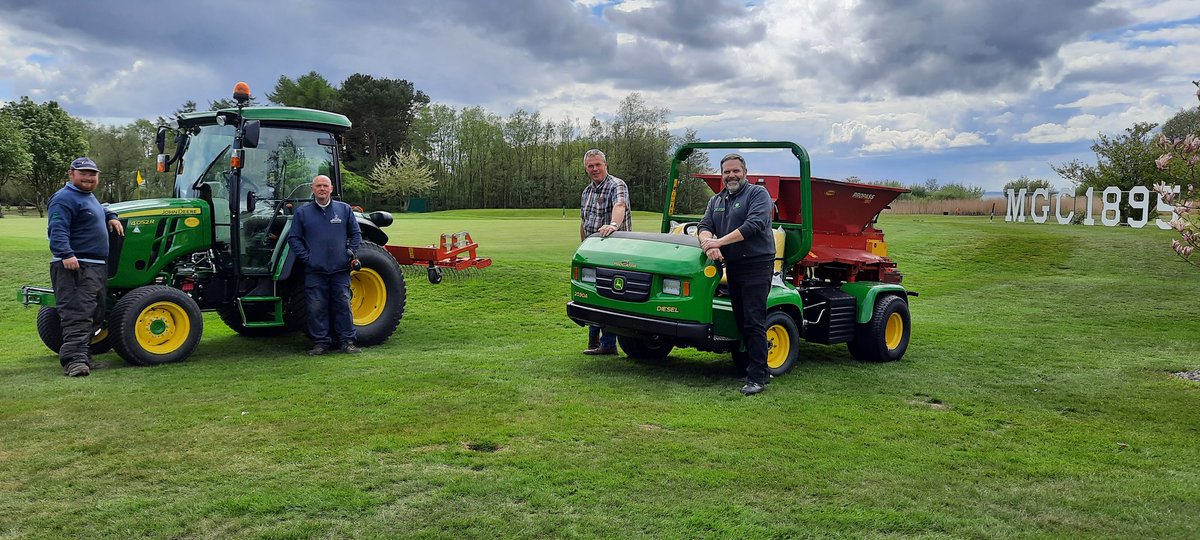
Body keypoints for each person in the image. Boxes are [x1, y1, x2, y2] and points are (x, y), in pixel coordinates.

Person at [698, 153, 775, 396]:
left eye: (735, 171)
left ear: (745, 172)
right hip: (734, 267)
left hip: (757, 264)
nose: (731, 175)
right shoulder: (717, 200)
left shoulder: (757, 195)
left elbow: (754, 225)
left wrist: (718, 242)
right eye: (726, 172)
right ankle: (758, 370)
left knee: (754, 321)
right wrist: (707, 243)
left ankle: (757, 378)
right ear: (721, 175)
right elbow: (704, 226)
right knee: (742, 320)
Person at [47, 157, 124, 377]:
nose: (89, 178)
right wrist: (66, 254)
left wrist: (111, 216)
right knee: (77, 313)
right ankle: (74, 362)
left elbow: (98, 209)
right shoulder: (64, 198)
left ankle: (84, 357)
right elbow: (57, 228)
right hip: (76, 264)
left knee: (94, 312)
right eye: (84, 173)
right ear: (71, 173)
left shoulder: (87, 196)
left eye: (93, 174)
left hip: (95, 265)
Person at [287, 174, 363, 356]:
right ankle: (321, 343)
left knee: (343, 305)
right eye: (318, 186)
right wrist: (308, 258)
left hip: (340, 270)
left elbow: (356, 234)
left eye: (325, 186)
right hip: (315, 270)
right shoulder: (302, 213)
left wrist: (349, 253)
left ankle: (347, 342)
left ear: (331, 189)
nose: (322, 189)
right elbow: (294, 238)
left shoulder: (344, 210)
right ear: (312, 189)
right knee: (316, 307)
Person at [579, 148, 631, 355]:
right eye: (590, 166)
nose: (594, 169)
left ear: (605, 165)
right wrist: (583, 248)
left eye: (598, 164)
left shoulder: (616, 185)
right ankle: (594, 341)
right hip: (594, 252)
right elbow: (584, 222)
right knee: (594, 294)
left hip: (615, 250)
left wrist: (613, 225)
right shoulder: (587, 192)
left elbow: (620, 205)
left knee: (609, 295)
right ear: (586, 168)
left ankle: (608, 345)